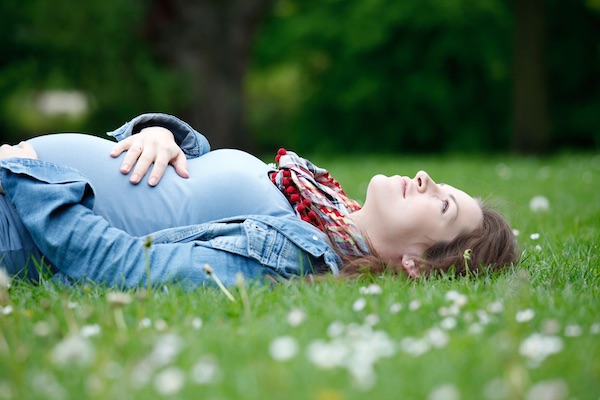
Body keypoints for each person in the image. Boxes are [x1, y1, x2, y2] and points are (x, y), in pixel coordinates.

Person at [0, 114, 517, 288]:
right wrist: (158, 133)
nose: (426, 177)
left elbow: (126, 268)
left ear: (417, 264)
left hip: (17, 221)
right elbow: (188, 181)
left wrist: (29, 177)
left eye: (443, 204)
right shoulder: (315, 197)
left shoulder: (295, 255)